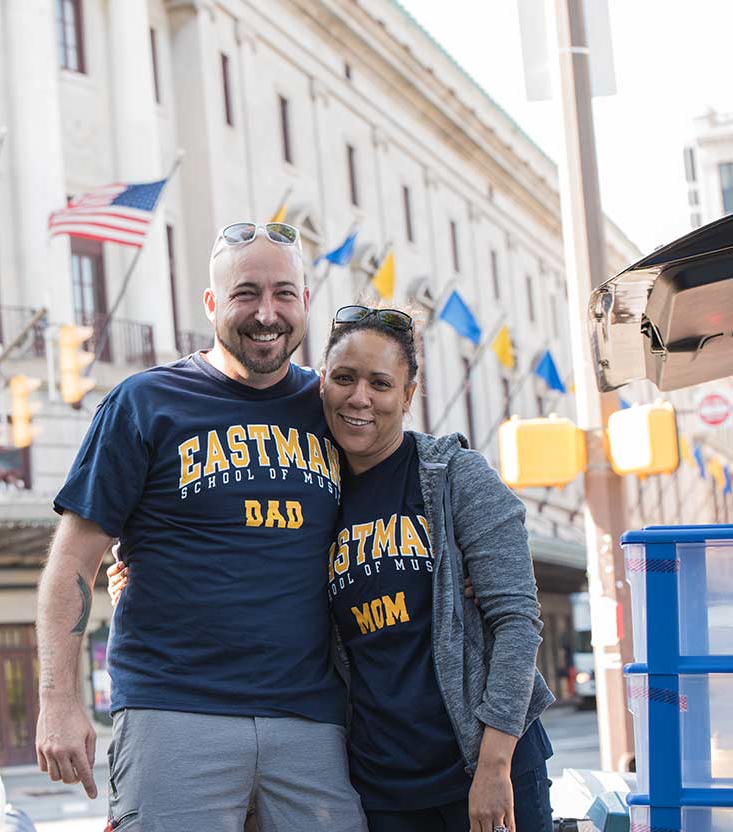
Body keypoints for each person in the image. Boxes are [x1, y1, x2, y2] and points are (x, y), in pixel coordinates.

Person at [109, 303, 557, 832]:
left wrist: (494, 767)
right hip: (384, 787)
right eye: (344, 378)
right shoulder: (318, 492)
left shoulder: (454, 477)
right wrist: (145, 578)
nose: (360, 398)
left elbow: (517, 622)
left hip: (483, 766)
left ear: (407, 395)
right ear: (322, 384)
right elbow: (263, 572)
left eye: (380, 383)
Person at [34, 222, 367, 832]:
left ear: (305, 304)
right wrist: (57, 700)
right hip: (174, 710)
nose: (266, 313)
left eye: (283, 293)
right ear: (212, 304)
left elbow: (397, 506)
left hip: (312, 719)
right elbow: (73, 562)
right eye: (246, 293)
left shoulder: (334, 409)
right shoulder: (145, 402)